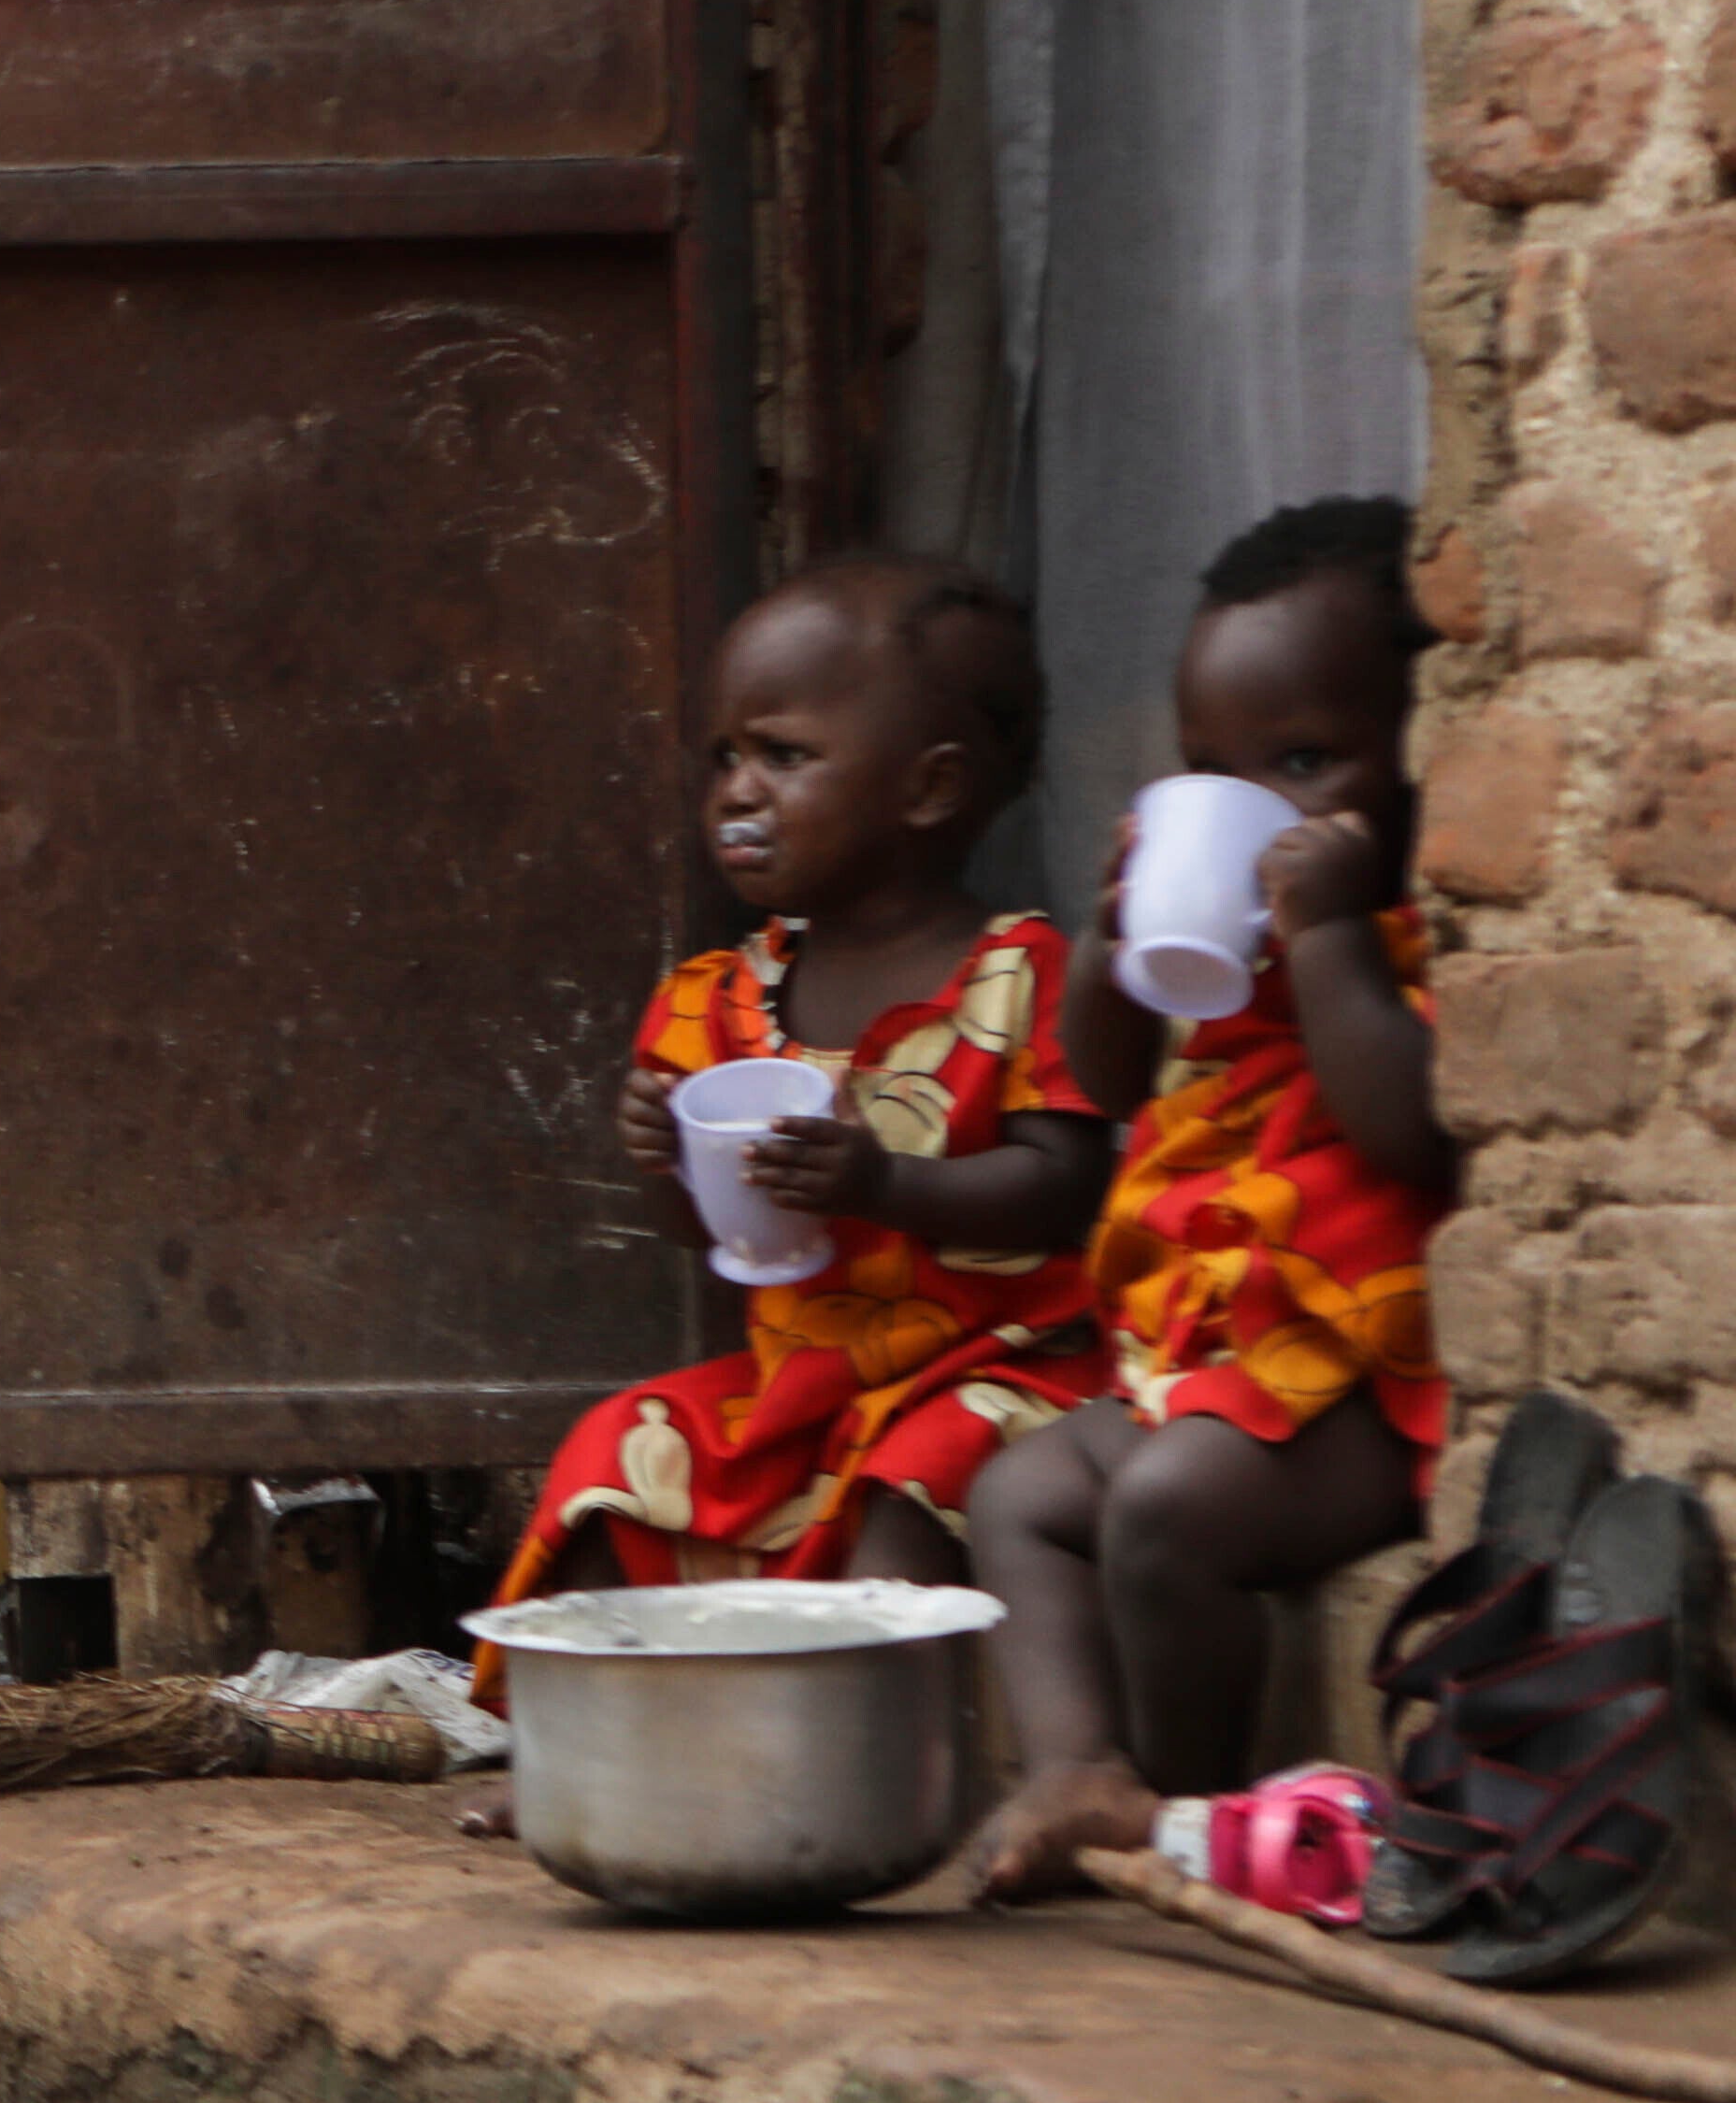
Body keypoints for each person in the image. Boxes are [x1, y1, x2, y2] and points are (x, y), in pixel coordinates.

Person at [955, 496, 1451, 1906]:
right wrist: (1120, 938)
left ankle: (1186, 1820)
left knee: (1167, 1509)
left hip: (1358, 1403)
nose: (1259, 807)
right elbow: (1106, 1078)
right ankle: (1075, 1768)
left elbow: (1404, 1126)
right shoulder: (1226, 962)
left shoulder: (1416, 939)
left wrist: (1335, 931)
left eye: (1306, 762)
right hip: (1215, 1376)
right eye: (1211, 772)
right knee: (1027, 1491)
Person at [488, 553, 1115, 1635]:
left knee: (910, 1483)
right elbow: (696, 1228)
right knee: (616, 1451)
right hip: (803, 1388)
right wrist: (662, 1159)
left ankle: (872, 1760)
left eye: (783, 755)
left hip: (996, 1370)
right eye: (723, 757)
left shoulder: (1022, 973)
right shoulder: (717, 998)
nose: (735, 791)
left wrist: (886, 1183)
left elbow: (1068, 1185)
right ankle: (592, 1740)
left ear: (929, 788)